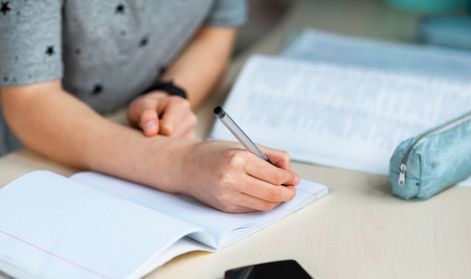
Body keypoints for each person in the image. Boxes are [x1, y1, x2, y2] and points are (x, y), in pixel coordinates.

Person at [0, 0, 299, 212]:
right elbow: (29, 99)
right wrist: (183, 163)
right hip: (27, 156)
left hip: (128, 132)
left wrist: (168, 91)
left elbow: (215, 34)